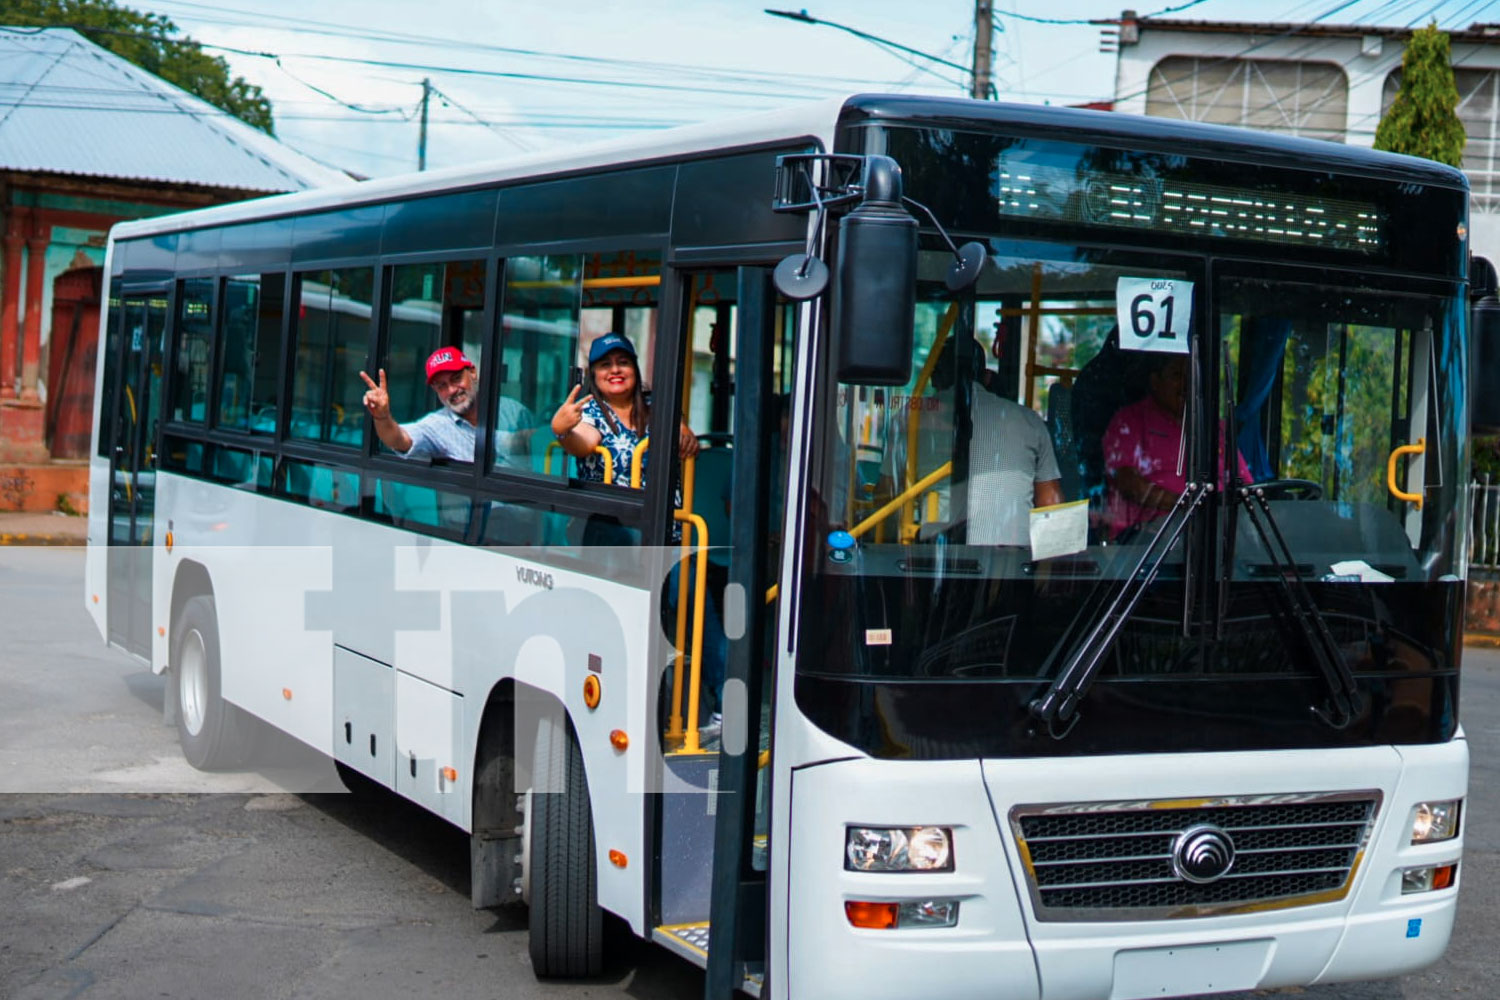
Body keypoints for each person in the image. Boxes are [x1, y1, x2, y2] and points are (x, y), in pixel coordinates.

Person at [931, 337, 1064, 545]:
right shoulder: (1030, 422)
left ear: (933, 379)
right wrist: (1044, 575)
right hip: (1012, 570)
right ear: (986, 377)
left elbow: (886, 497)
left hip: (923, 565)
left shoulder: (910, 422)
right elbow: (1051, 507)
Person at [1101, 353, 1250, 539]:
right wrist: (1187, 505)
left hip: (1213, 540)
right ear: (1155, 381)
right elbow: (1129, 483)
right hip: (1147, 545)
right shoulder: (1130, 421)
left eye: (1191, 378)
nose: (1186, 385)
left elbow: (1246, 487)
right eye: (1177, 376)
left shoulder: (1215, 429)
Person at [549, 332, 699, 482]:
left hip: (665, 505)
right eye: (605, 364)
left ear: (635, 369)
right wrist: (562, 431)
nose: (615, 370)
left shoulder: (658, 405)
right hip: (611, 505)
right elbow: (582, 443)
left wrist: (684, 432)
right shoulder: (590, 411)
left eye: (623, 362)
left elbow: (680, 431)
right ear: (593, 374)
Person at [359, 347, 536, 467]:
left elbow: (540, 452)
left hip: (529, 519)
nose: (452, 390)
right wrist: (382, 416)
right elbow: (397, 439)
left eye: (456, 379)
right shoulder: (437, 426)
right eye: (442, 386)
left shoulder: (514, 410)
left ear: (473, 373)